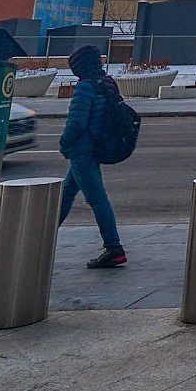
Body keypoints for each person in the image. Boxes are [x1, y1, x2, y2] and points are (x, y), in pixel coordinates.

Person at [59, 45, 126, 268]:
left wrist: (64, 143)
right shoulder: (107, 83)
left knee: (97, 199)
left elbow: (76, 123)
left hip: (82, 150)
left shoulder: (85, 87)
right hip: (97, 146)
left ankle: (114, 247)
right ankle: (43, 234)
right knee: (66, 194)